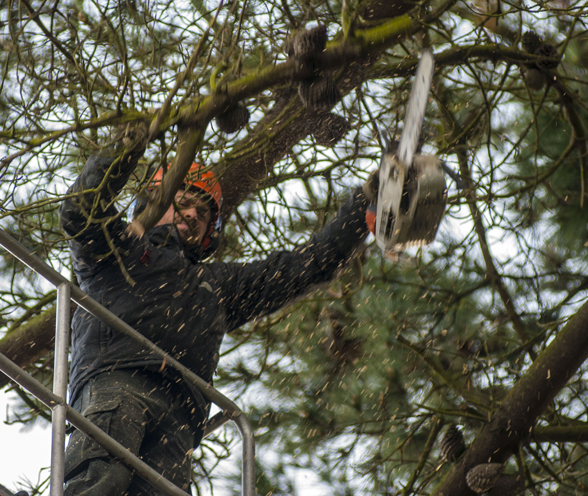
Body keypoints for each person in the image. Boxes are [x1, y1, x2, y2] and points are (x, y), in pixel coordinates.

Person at [59, 129, 379, 495]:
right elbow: (79, 211)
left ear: (211, 230)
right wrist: (122, 150)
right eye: (184, 200)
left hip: (179, 417)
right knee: (102, 481)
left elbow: (306, 266)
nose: (194, 213)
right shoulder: (118, 250)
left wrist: (365, 204)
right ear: (152, 203)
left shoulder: (217, 285)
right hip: (117, 383)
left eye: (203, 211)